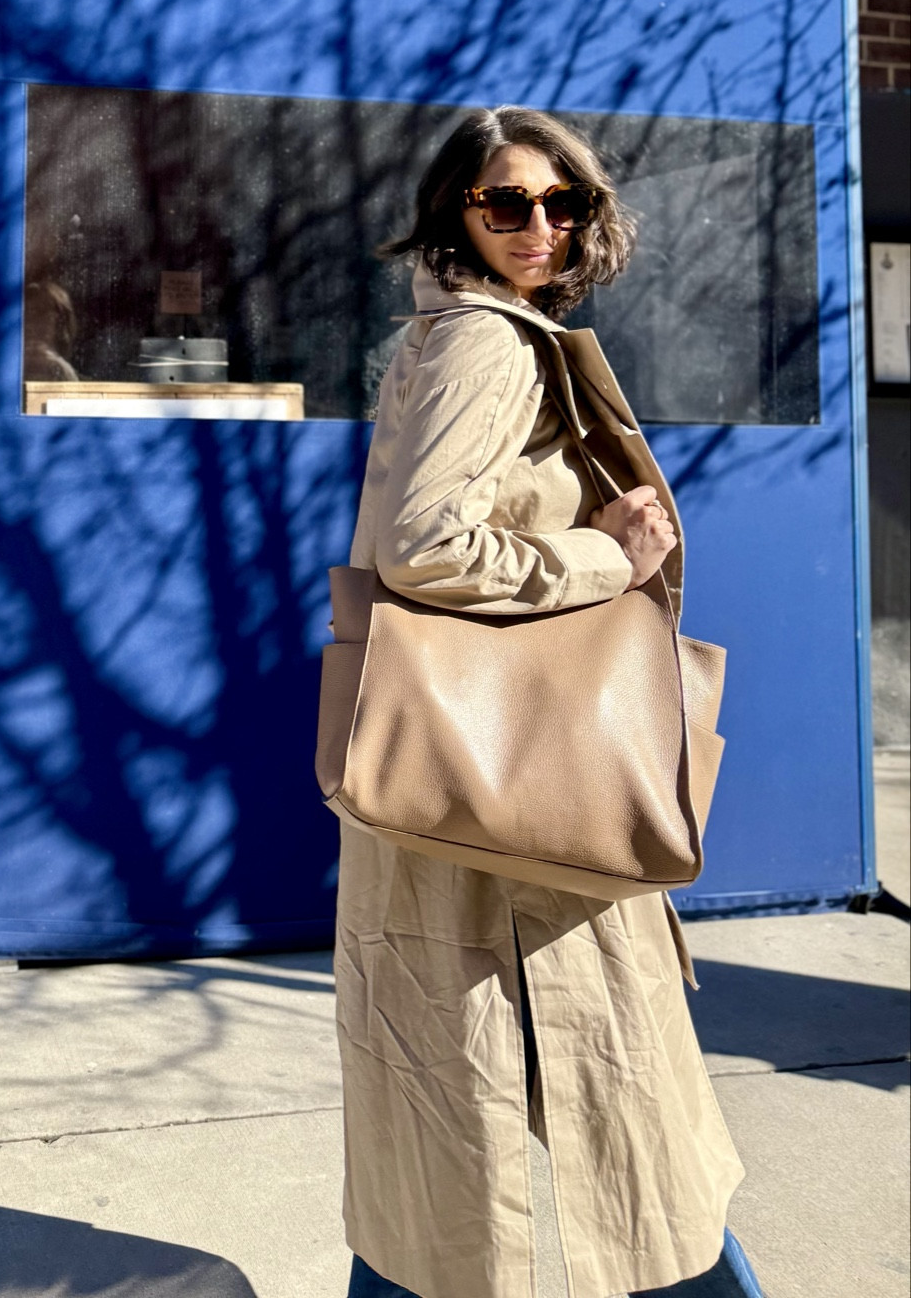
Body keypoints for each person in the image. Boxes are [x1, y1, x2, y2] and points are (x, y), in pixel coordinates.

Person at [338, 106, 763, 1298]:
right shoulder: (487, 343)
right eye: (505, 202)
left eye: (561, 201)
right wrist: (602, 559)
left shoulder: (455, 333)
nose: (539, 225)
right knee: (633, 1138)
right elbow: (425, 545)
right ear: (455, 214)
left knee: (443, 1157)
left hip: (469, 790)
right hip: (525, 803)